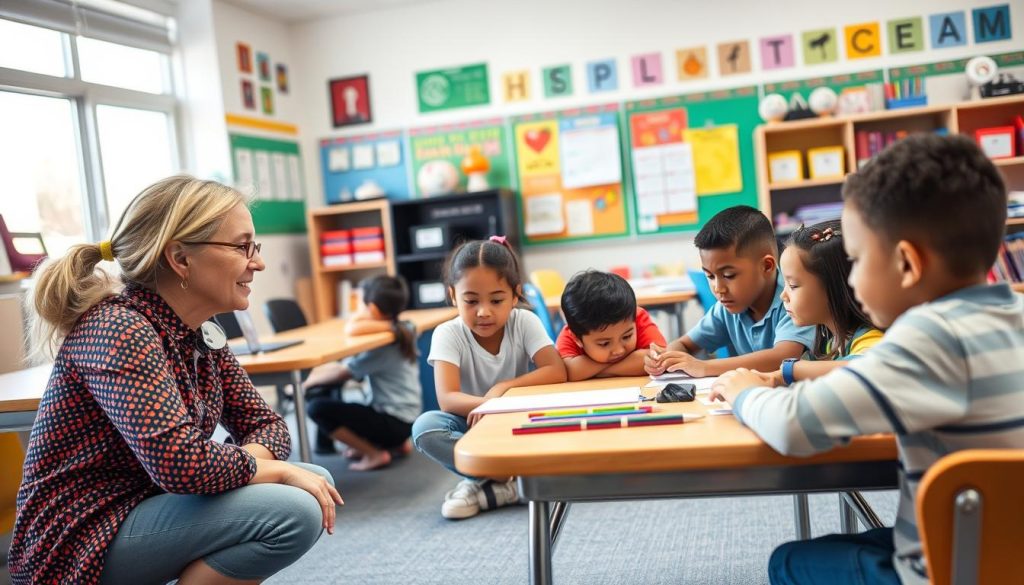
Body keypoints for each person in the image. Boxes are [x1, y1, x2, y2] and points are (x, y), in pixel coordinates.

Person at [711, 134, 1024, 585]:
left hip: (951, 569)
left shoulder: (928, 339)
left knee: (789, 562)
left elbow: (793, 428)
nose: (851, 279)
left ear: (906, 264)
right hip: (1009, 551)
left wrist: (745, 392)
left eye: (856, 260)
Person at [9, 176, 343, 585]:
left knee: (312, 483)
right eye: (242, 247)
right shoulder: (118, 327)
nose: (257, 262)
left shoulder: (198, 328)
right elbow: (181, 465)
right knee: (294, 507)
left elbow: (267, 425)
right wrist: (268, 470)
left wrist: (252, 466)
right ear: (180, 259)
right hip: (79, 535)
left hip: (144, 505)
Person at [412, 236, 567, 519]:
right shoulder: (447, 333)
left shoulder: (524, 321)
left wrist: (502, 389)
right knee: (426, 428)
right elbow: (447, 399)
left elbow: (556, 370)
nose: (484, 312)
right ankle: (508, 481)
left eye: (497, 300)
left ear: (515, 294)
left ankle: (485, 483)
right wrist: (487, 405)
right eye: (470, 301)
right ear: (452, 296)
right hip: (472, 421)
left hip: (516, 418)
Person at [644, 205, 815, 378]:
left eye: (729, 275)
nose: (718, 288)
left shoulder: (793, 300)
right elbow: (684, 344)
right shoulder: (726, 308)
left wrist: (704, 367)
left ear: (767, 266)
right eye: (710, 276)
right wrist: (666, 359)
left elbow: (783, 357)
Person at [305, 275, 421, 471]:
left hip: (393, 424)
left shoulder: (385, 344)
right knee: (350, 405)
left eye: (360, 303)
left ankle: (374, 454)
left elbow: (343, 371)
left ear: (373, 309)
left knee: (317, 408)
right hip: (408, 421)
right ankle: (395, 444)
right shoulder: (404, 329)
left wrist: (306, 383)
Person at [767, 219, 883, 385]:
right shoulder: (828, 343)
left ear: (834, 287)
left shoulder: (869, 339)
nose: (783, 296)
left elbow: (868, 369)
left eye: (793, 285)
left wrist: (791, 370)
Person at [556, 270, 667, 380]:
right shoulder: (572, 333)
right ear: (577, 339)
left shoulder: (636, 316)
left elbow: (659, 358)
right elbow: (570, 371)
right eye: (604, 343)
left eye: (627, 337)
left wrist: (600, 371)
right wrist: (632, 362)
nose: (619, 350)